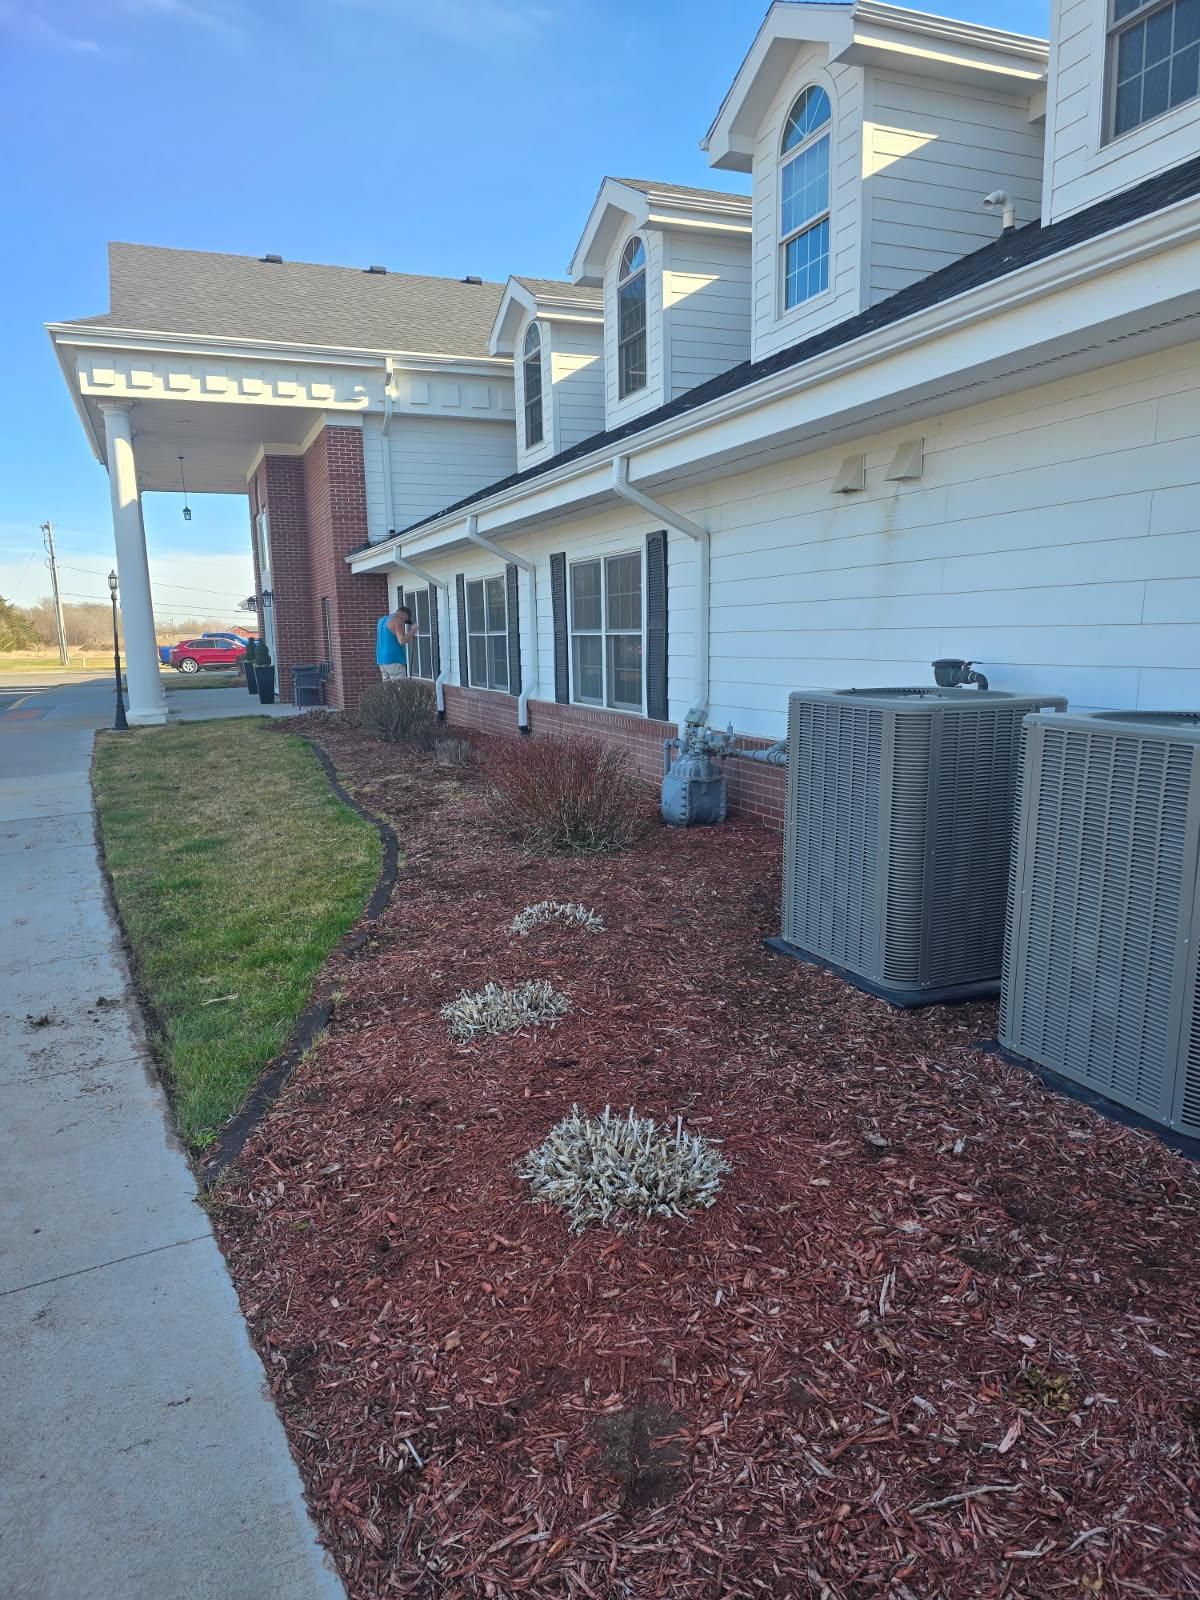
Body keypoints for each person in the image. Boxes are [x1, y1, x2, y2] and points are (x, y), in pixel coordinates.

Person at [376, 604, 417, 681]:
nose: (404, 622)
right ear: (404, 614)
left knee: (388, 690)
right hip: (394, 661)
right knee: (400, 689)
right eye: (405, 620)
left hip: (381, 661)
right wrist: (412, 631)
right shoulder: (397, 620)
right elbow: (401, 641)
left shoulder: (381, 621)